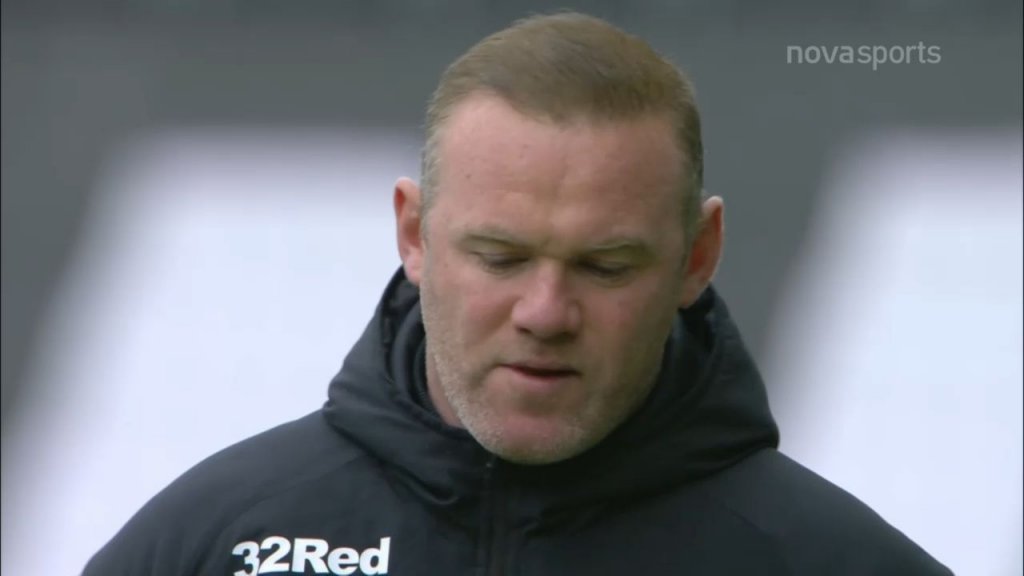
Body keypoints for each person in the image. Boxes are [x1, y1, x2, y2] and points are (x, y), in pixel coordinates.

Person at [83, 12, 952, 575]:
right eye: (500, 257)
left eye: (605, 266)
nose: (544, 314)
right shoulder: (209, 546)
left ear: (699, 256)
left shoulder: (835, 563)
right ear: (414, 234)